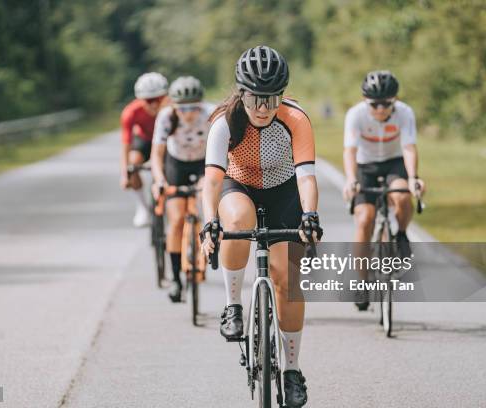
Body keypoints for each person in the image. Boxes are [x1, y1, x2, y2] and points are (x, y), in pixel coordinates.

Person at [200, 45, 322, 408]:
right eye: (255, 98)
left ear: (282, 95)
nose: (264, 109)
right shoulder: (224, 121)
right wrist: (210, 223)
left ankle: (292, 370)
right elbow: (210, 181)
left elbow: (307, 178)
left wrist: (309, 216)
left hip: (285, 192)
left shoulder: (296, 119)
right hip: (239, 187)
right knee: (237, 220)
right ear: (242, 92)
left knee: (288, 285)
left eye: (272, 99)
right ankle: (233, 305)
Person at [342, 70, 426, 310]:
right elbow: (350, 151)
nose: (380, 109)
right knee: (364, 219)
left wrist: (412, 178)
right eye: (374, 104)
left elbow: (409, 147)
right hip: (365, 166)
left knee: (401, 195)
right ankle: (361, 284)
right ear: (365, 101)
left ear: (395, 101)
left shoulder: (405, 113)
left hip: (394, 163)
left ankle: (400, 234)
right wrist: (350, 179)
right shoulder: (355, 115)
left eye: (386, 104)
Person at [151, 76, 215, 302]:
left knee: (202, 202)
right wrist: (159, 181)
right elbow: (157, 156)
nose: (189, 113)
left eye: (194, 107)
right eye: (183, 108)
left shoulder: (211, 114)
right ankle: (176, 278)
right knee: (176, 219)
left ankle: (204, 245)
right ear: (174, 106)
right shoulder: (166, 117)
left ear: (201, 104)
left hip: (203, 162)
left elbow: (224, 152)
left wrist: (211, 180)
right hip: (176, 162)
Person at [120, 72, 169, 227]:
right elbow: (126, 145)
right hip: (145, 140)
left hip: (166, 141)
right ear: (140, 99)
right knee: (133, 165)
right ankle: (142, 206)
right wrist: (125, 173)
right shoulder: (131, 113)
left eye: (159, 99)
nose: (154, 104)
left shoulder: (172, 108)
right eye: (149, 100)